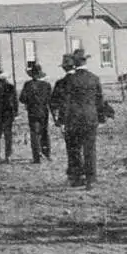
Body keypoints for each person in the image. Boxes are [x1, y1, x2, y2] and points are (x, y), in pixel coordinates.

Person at [63, 50, 105, 189]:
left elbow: (66, 102)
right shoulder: (94, 78)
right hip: (90, 118)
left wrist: (62, 120)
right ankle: (91, 179)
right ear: (85, 62)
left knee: (74, 148)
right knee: (90, 149)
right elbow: (100, 101)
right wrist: (101, 118)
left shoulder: (70, 79)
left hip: (74, 118)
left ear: (75, 63)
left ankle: (77, 179)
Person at [50, 55, 76, 183]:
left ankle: (74, 173)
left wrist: (57, 120)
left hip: (67, 119)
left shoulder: (60, 83)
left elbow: (53, 103)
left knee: (71, 147)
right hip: (84, 119)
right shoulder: (83, 80)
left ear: (64, 68)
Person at [19, 64, 52, 164]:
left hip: (32, 112)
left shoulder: (27, 85)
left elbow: (22, 99)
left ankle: (36, 157)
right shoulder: (46, 85)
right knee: (45, 132)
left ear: (32, 74)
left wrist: (29, 101)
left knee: (34, 133)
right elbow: (50, 99)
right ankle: (46, 154)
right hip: (43, 111)